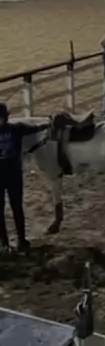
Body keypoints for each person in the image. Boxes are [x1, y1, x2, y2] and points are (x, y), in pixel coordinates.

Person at [0, 103, 50, 253]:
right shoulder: (15, 129)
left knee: (17, 207)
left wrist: (49, 123)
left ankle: (21, 240)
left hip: (14, 173)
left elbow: (36, 127)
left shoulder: (16, 128)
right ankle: (4, 242)